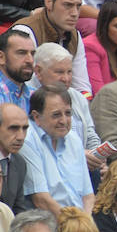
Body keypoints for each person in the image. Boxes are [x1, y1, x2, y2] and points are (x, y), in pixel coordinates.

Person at [21, 86, 95, 214]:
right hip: (48, 225)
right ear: (37, 117)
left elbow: (88, 197)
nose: (64, 121)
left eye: (68, 113)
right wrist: (73, 227)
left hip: (81, 225)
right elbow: (41, 200)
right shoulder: (28, 140)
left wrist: (85, 225)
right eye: (56, 115)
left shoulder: (73, 138)